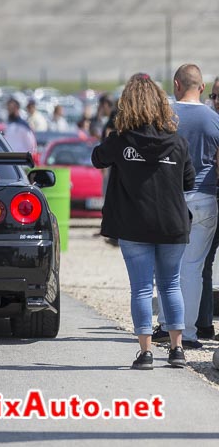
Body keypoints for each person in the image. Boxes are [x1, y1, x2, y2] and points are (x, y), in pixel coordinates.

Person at [91, 72, 194, 370]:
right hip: (173, 224)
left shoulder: (121, 141)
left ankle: (146, 353)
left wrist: (114, 134)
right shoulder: (177, 142)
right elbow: (187, 182)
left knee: (140, 288)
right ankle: (177, 350)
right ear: (162, 105)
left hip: (134, 224)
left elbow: (98, 158)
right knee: (171, 285)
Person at [153, 64, 219, 349]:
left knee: (168, 268)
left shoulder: (164, 116)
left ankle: (167, 326)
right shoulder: (213, 118)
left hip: (169, 198)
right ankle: (188, 333)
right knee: (193, 268)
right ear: (202, 88)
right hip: (204, 196)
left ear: (176, 84)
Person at [197, 79, 219, 340]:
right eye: (214, 95)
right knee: (203, 262)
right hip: (209, 199)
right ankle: (204, 324)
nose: (216, 100)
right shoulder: (209, 121)